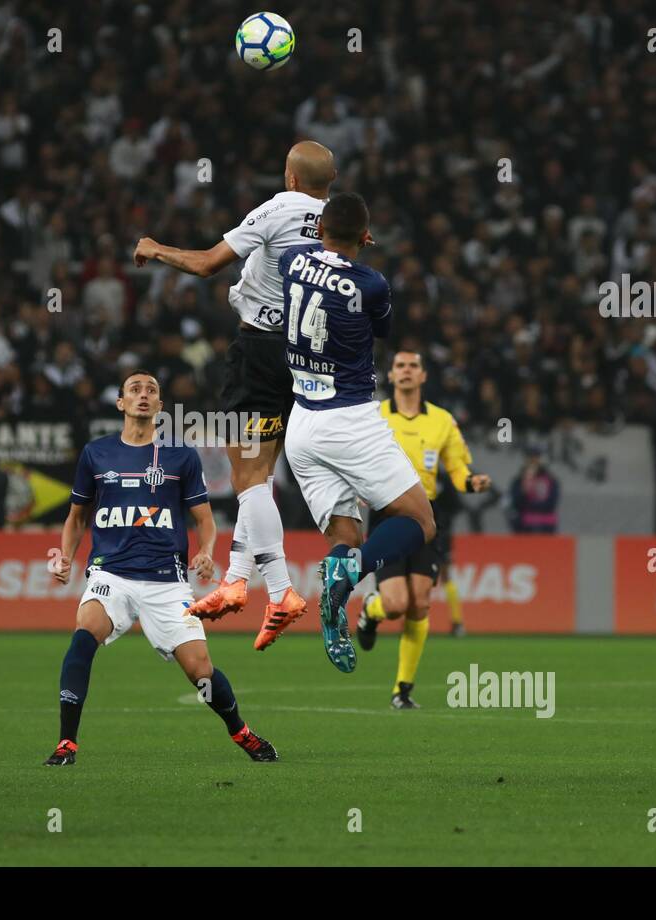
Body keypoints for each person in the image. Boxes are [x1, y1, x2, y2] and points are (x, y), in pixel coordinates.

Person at [134, 141, 339, 650]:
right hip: (313, 357)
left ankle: (283, 590)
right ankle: (235, 578)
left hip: (261, 352)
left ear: (290, 176)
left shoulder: (277, 207)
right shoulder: (341, 221)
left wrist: (156, 249)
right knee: (261, 477)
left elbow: (207, 264)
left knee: (248, 476)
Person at [45, 369, 276, 765]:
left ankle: (241, 732)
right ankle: (67, 743)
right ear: (120, 403)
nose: (143, 395)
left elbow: (204, 519)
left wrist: (205, 551)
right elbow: (77, 517)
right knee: (84, 636)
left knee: (200, 671)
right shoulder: (95, 453)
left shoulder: (180, 456)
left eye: (151, 390)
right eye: (134, 389)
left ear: (160, 405)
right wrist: (65, 554)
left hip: (167, 583)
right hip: (110, 574)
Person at [278, 193, 436, 672]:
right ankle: (349, 574)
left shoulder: (291, 259)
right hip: (349, 419)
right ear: (365, 237)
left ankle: (337, 600)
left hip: (300, 425)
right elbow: (384, 329)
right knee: (420, 522)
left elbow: (310, 252)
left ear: (320, 227)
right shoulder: (372, 283)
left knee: (345, 534)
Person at [354, 351, 492, 708]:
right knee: (397, 605)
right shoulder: (374, 416)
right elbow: (351, 456)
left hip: (427, 518)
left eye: (413, 366)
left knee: (421, 605)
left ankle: (402, 689)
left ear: (423, 375)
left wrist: (471, 482)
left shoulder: (442, 421)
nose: (406, 371)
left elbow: (458, 467)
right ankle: (372, 610)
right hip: (387, 514)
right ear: (391, 374)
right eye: (399, 365)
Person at [509, 446, 559, 533]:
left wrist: (531, 505)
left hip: (546, 524)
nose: (533, 461)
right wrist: (524, 491)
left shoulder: (550, 480)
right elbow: (515, 502)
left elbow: (551, 503)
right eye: (530, 458)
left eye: (535, 458)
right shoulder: (519, 480)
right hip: (525, 524)